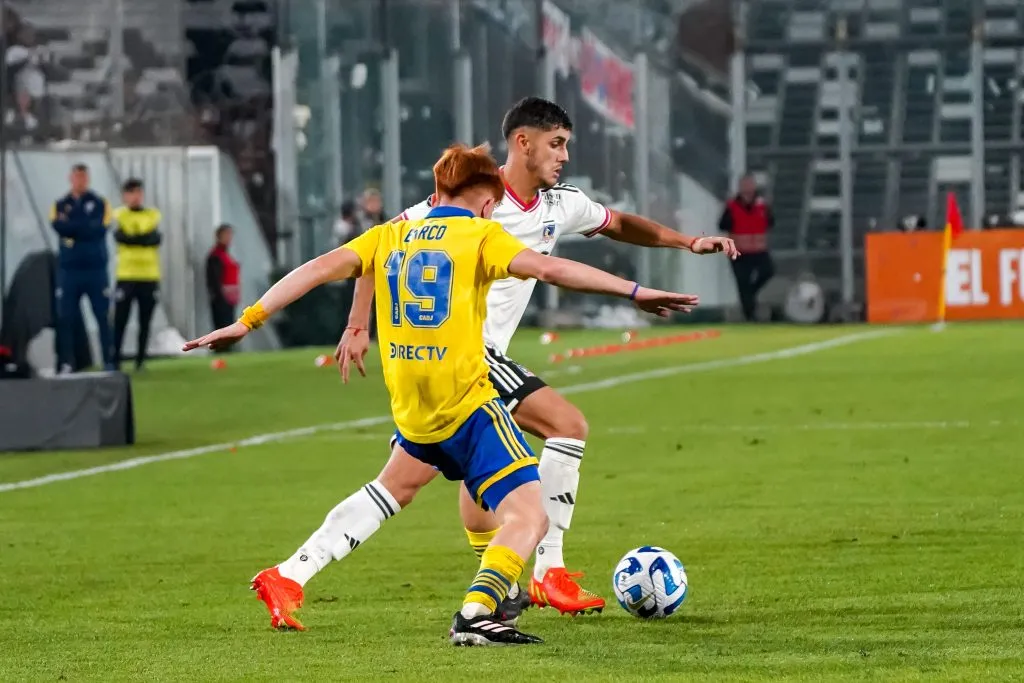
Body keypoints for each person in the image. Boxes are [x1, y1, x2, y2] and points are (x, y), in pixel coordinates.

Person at [182, 144, 699, 645]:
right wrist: (634, 292)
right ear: (484, 197)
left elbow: (317, 269)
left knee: (392, 490)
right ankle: (478, 611)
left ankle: (288, 574)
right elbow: (551, 269)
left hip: (413, 403)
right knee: (529, 514)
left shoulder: (389, 234)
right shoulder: (479, 235)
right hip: (465, 401)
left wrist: (246, 321)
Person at [335, 96, 738, 619]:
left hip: (480, 360)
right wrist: (357, 322)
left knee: (475, 483)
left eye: (566, 145)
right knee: (567, 425)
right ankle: (549, 571)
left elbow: (619, 223)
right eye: (556, 144)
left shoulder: (560, 204)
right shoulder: (469, 202)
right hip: (463, 352)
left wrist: (689, 243)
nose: (564, 155)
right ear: (521, 143)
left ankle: (499, 585)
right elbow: (375, 247)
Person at [50, 164, 114, 373]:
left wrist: (74, 230)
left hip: (95, 270)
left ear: (88, 178)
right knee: (66, 317)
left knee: (103, 316)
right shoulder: (59, 205)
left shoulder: (99, 203)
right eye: (76, 177)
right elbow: (59, 227)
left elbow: (99, 229)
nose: (80, 181)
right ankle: (66, 362)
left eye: (83, 177)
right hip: (70, 270)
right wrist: (83, 227)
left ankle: (108, 361)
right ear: (70, 178)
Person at [112, 179, 162, 371]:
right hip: (126, 275)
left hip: (149, 275)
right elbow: (121, 237)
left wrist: (134, 239)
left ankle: (141, 360)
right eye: (132, 192)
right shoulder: (119, 215)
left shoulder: (152, 214)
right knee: (120, 320)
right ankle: (114, 359)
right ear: (125, 195)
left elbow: (154, 239)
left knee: (145, 321)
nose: (136, 196)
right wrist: (141, 239)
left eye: (139, 192)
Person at [719, 173, 774, 321]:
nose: (747, 188)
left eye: (750, 184)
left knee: (767, 272)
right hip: (739, 251)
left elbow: (770, 223)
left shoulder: (762, 205)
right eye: (744, 185)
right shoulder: (732, 206)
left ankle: (751, 297)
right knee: (742, 282)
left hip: (758, 250)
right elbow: (723, 225)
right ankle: (750, 315)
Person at [205, 224, 241, 341]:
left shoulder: (226, 254)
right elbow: (214, 279)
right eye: (226, 235)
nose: (229, 238)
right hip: (221, 298)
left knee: (230, 325)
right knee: (223, 325)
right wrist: (220, 296)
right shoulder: (216, 255)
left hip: (230, 298)